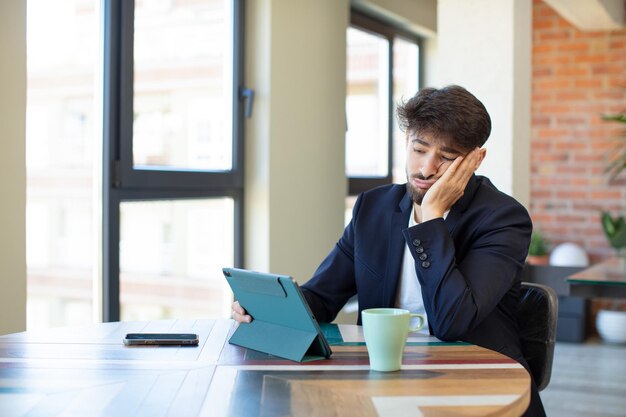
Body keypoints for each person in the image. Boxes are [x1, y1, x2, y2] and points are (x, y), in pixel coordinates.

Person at [232, 85, 545, 416]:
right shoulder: (373, 208)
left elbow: (454, 321)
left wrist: (431, 218)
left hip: (477, 385)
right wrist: (267, 308)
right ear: (407, 137)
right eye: (419, 149)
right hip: (384, 379)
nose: (426, 169)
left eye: (447, 158)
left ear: (475, 160)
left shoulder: (503, 219)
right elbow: (323, 297)